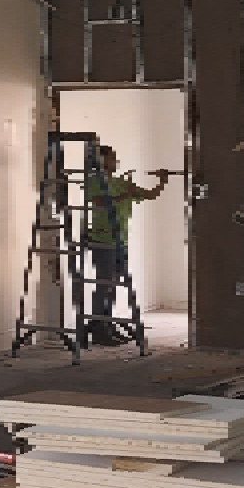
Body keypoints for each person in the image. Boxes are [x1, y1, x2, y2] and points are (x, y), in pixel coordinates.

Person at [83, 144, 167, 346]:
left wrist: (162, 181)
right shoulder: (94, 181)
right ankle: (98, 327)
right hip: (102, 240)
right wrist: (125, 195)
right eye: (111, 157)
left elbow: (150, 195)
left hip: (120, 239)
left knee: (112, 284)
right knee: (104, 284)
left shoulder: (121, 182)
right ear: (101, 161)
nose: (115, 161)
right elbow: (98, 202)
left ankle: (107, 324)